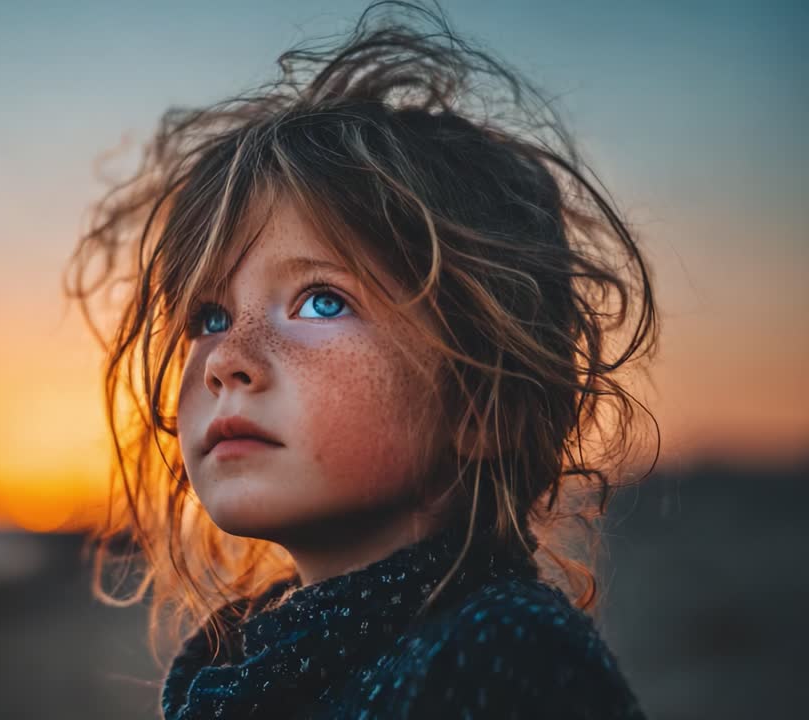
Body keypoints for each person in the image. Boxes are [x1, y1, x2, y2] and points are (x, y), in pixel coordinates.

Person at [64, 2, 659, 717]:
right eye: (210, 317)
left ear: (484, 401)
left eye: (321, 301)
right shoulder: (239, 666)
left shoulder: (503, 657)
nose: (228, 359)